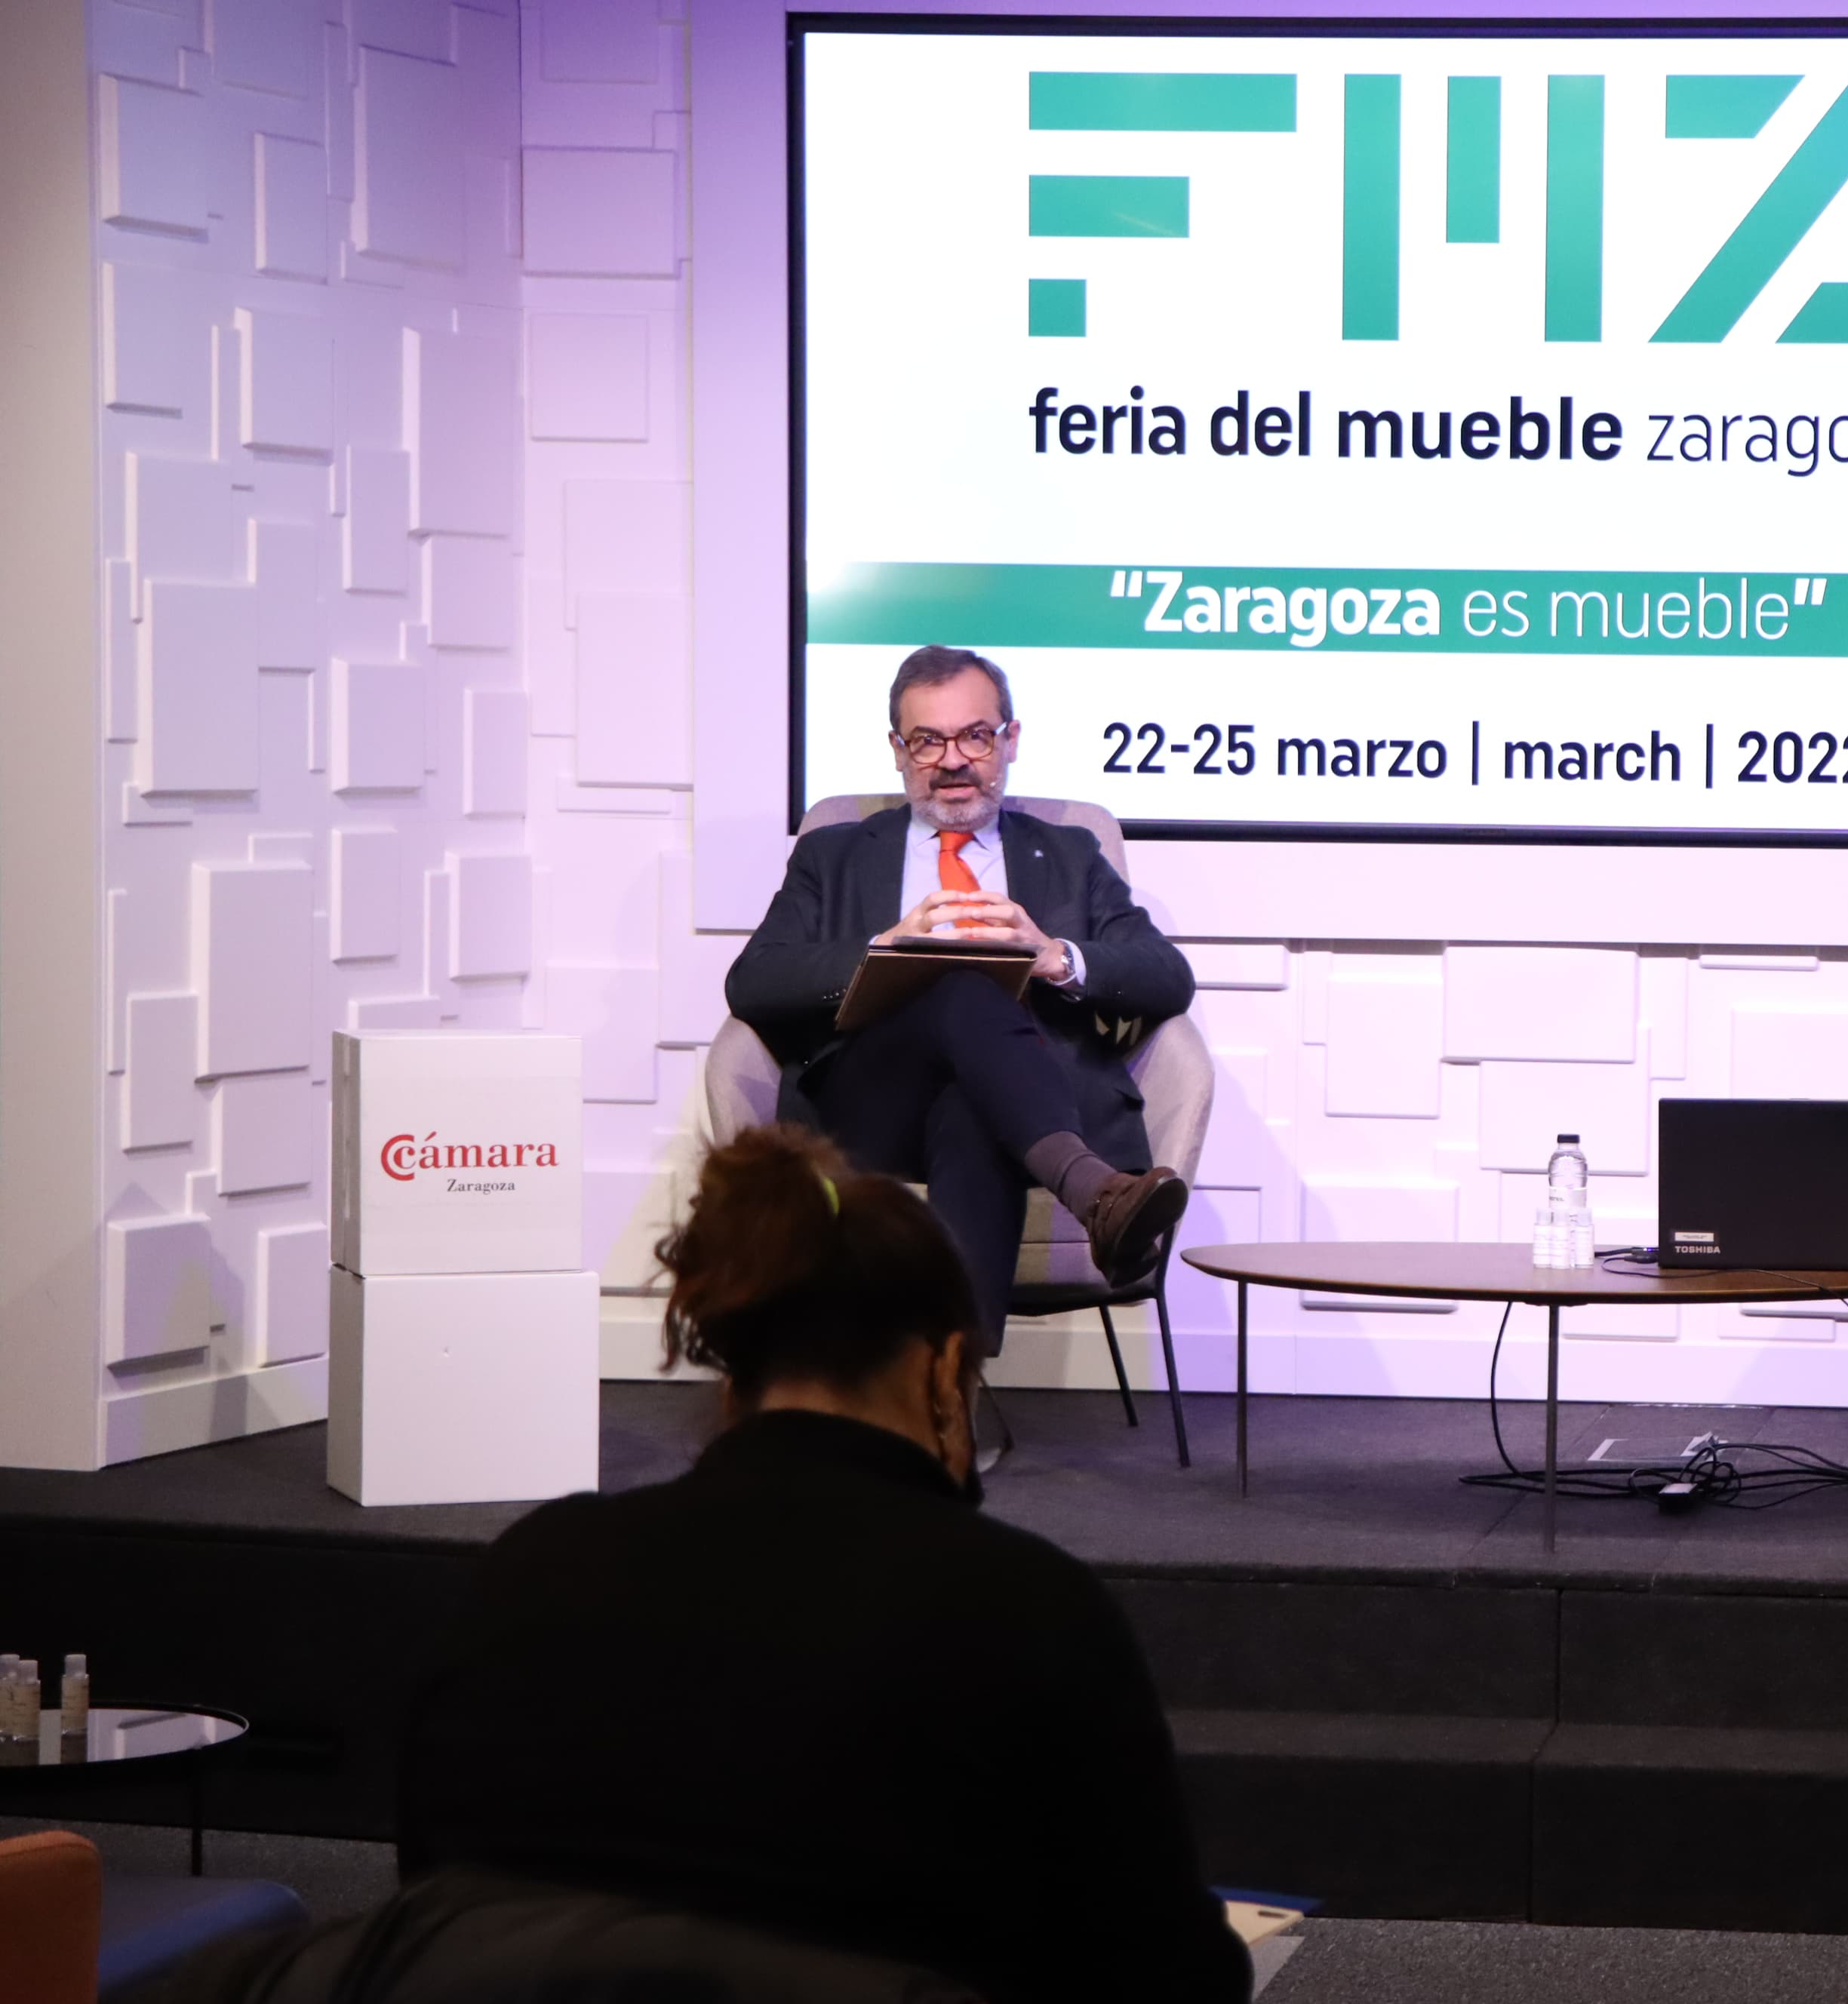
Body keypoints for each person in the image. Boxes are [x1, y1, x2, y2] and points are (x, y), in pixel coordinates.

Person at [395, 1124, 1255, 2004]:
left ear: (734, 1372)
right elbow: (1171, 1978)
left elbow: (430, 1911)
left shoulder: (529, 1570)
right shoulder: (1029, 1611)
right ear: (942, 1370)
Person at [727, 645, 1195, 1329]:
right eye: (927, 740)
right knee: (963, 985)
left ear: (1010, 740)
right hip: (872, 1104)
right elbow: (753, 981)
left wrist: (1053, 956)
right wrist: (883, 950)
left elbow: (1167, 976)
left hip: (1032, 1110)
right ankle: (1094, 1190)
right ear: (898, 751)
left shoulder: (1069, 854)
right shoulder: (835, 854)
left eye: (975, 735)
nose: (953, 760)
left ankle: (949, 1381)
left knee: (973, 1111)